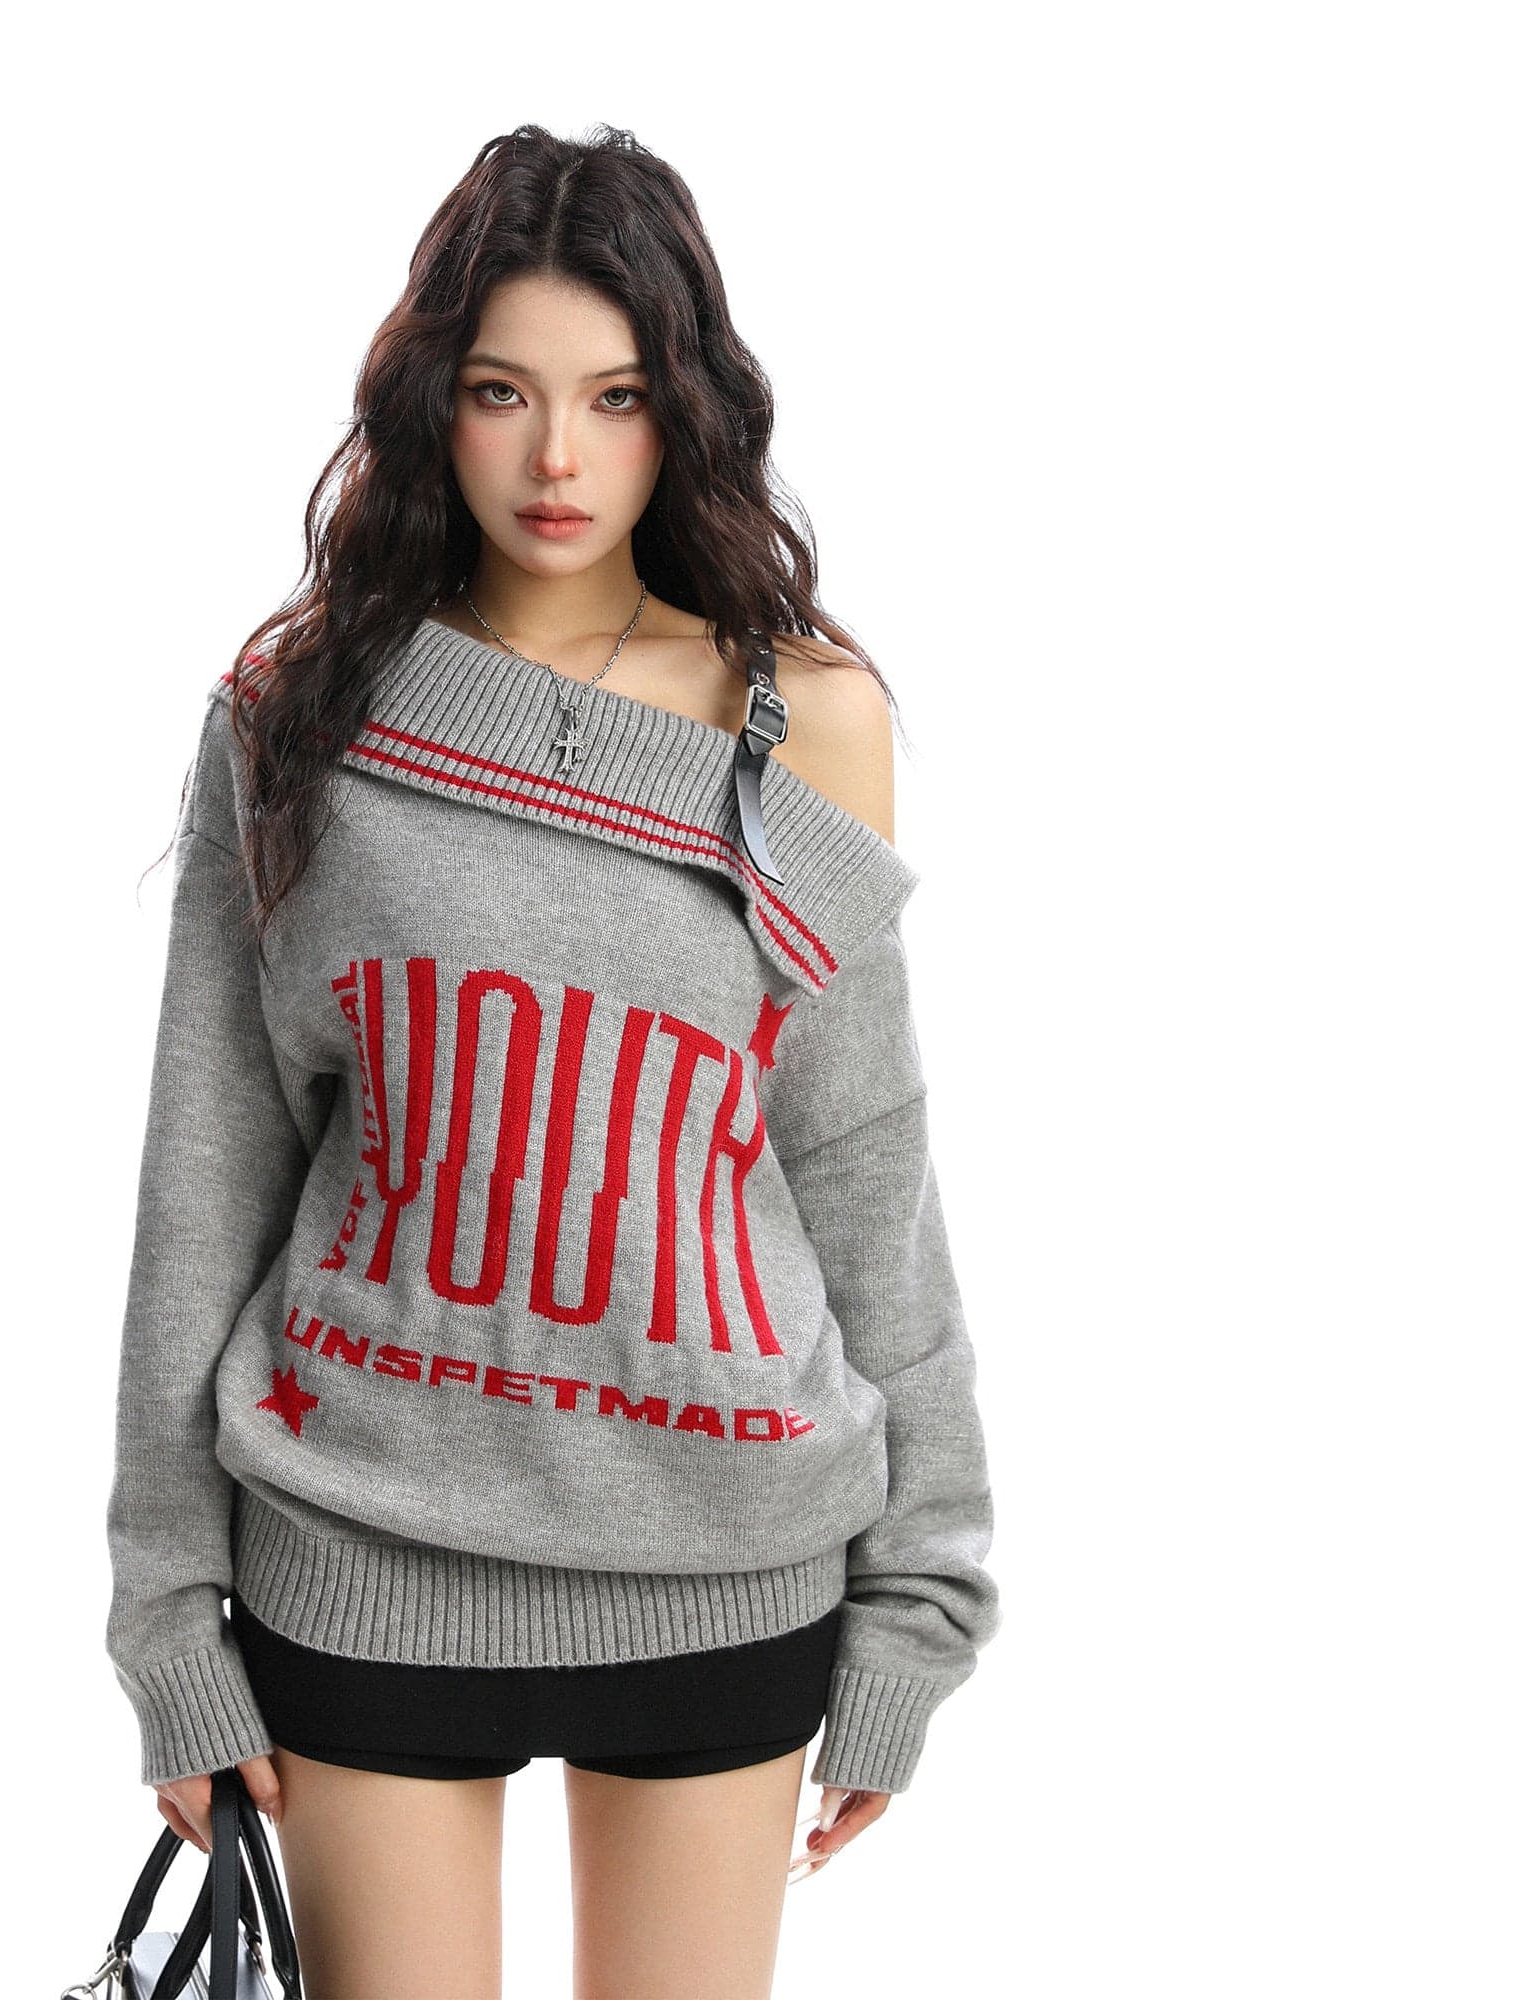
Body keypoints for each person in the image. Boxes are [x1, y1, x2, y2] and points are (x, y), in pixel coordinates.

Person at [103, 122, 1002, 2000]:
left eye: (615, 396)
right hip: (364, 1548)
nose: (558, 460)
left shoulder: (804, 719)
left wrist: (924, 1592)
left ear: (688, 411)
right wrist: (168, 1614)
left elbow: (863, 1164)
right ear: (434, 402)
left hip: (726, 1558)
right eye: (503, 393)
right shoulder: (298, 715)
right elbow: (208, 1169)